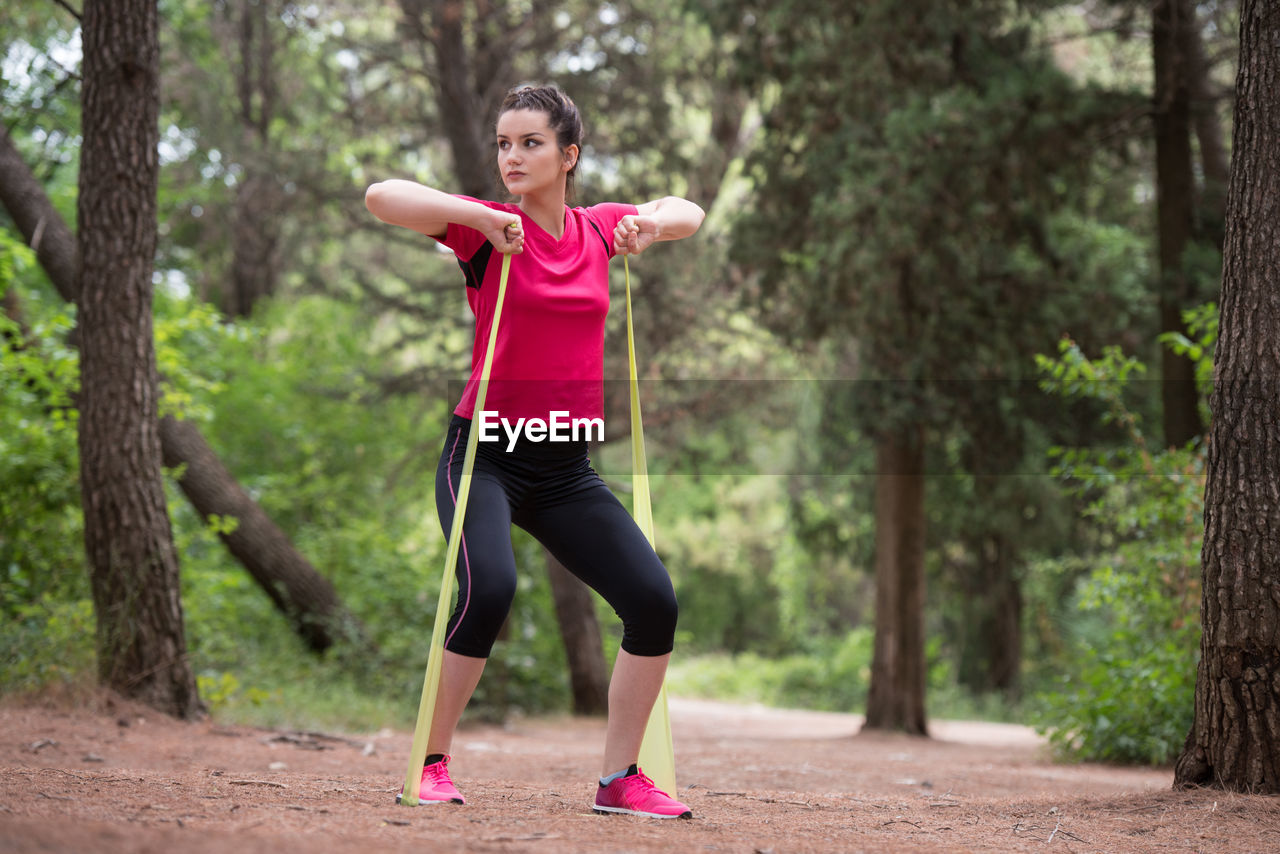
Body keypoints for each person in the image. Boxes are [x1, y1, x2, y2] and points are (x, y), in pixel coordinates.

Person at [365, 83, 704, 819]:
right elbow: (380, 196)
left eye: (531, 143)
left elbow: (690, 212)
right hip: (484, 456)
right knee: (490, 587)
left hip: (563, 469)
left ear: (569, 155)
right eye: (503, 144)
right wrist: (478, 214)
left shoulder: (598, 230)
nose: (512, 157)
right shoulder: (488, 234)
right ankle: (430, 761)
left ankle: (620, 780)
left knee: (654, 602)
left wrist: (649, 223)